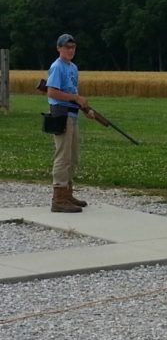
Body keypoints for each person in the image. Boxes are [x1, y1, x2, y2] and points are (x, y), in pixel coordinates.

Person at [45, 33, 91, 213]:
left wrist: (86, 109)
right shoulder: (57, 67)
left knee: (73, 156)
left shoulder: (72, 67)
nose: (70, 50)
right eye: (66, 47)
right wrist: (75, 98)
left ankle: (67, 192)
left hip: (72, 114)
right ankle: (59, 197)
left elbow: (73, 94)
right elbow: (52, 93)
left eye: (72, 47)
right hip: (61, 114)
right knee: (63, 156)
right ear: (59, 49)